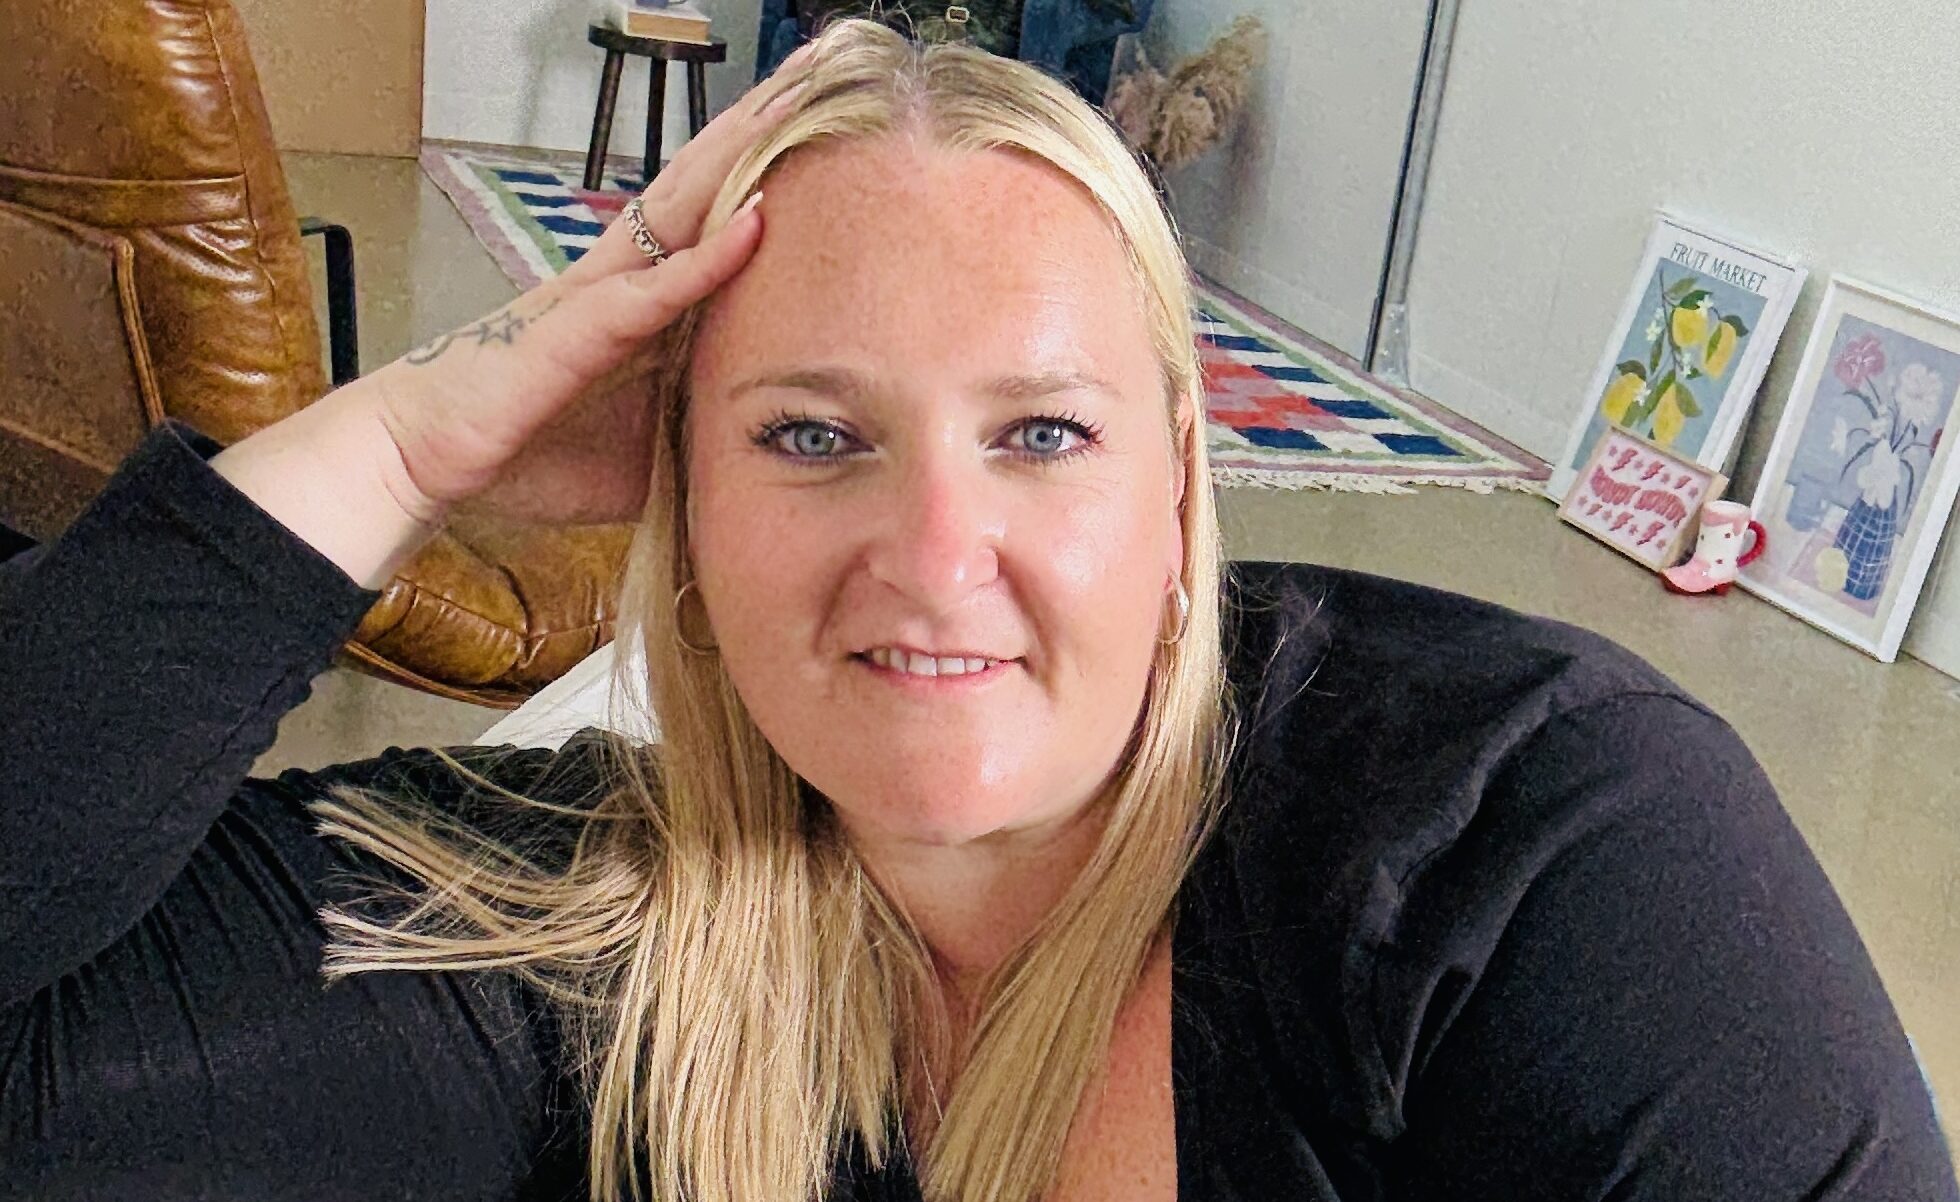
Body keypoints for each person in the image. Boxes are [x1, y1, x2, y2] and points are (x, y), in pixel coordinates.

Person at [0, 18, 1953, 1202]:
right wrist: (411, 435)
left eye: (1036, 430)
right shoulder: (584, 934)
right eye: (808, 435)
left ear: (1180, 489)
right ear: (676, 510)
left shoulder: (1530, 843)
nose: (936, 551)